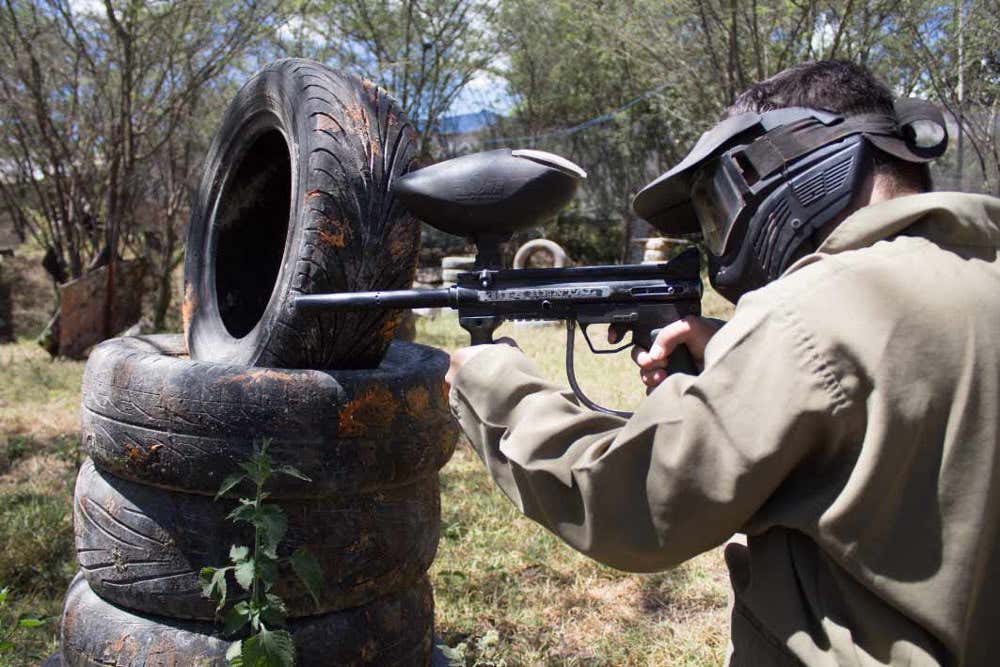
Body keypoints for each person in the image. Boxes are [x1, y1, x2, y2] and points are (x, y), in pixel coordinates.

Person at [445, 60, 1000, 665]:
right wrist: (749, 348)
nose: (722, 242)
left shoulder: (813, 309)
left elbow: (633, 503)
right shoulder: (973, 276)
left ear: (788, 162)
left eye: (719, 208)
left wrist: (492, 382)